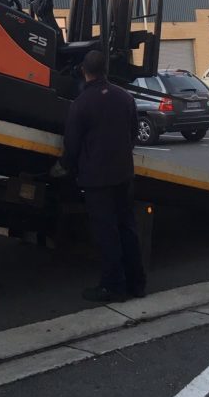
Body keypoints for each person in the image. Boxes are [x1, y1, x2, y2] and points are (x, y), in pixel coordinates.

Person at [60, 49, 146, 303]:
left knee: (106, 233)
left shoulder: (81, 104)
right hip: (123, 174)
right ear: (106, 70)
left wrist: (65, 167)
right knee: (127, 227)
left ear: (83, 71)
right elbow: (133, 133)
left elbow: (72, 144)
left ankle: (113, 286)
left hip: (97, 179)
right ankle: (137, 283)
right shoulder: (125, 98)